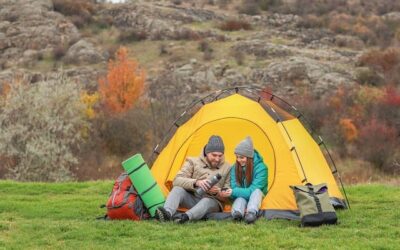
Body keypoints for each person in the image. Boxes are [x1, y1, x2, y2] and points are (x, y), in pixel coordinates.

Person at [155, 135, 232, 223]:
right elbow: (176, 181)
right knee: (177, 189)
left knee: (207, 201)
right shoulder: (192, 161)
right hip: (192, 197)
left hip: (212, 202)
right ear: (207, 152)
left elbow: (228, 194)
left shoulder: (227, 167)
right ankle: (167, 214)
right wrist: (196, 183)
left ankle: (184, 217)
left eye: (220, 156)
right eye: (214, 155)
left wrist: (218, 192)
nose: (217, 159)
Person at [225, 136, 268, 224]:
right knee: (240, 197)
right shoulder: (235, 167)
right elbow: (234, 186)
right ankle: (237, 214)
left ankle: (251, 213)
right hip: (242, 196)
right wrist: (230, 193)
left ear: (249, 157)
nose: (238, 160)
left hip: (256, 197)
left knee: (256, 192)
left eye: (242, 157)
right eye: (237, 157)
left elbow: (252, 190)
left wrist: (234, 191)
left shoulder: (262, 168)